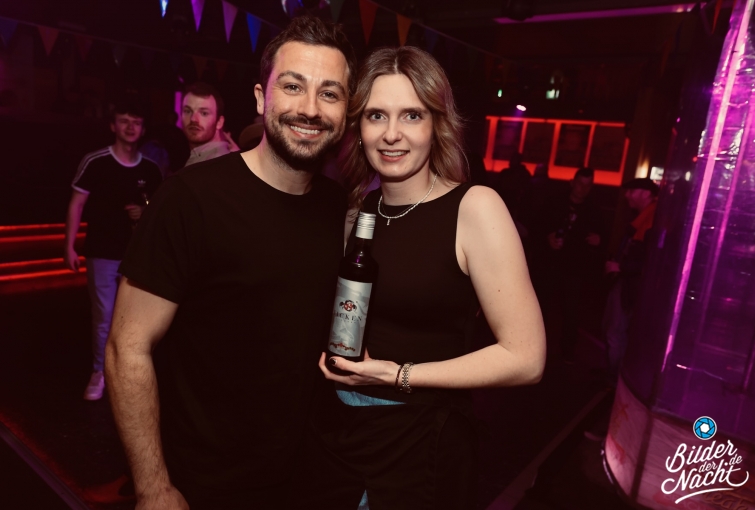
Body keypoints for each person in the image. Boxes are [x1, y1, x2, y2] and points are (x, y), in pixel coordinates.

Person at [104, 16, 355, 509]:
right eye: (293, 86)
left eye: (329, 93)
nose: (310, 108)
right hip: (207, 484)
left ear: (346, 111)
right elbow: (126, 347)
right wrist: (154, 487)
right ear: (262, 98)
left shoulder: (338, 208)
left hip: (307, 479)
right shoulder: (189, 199)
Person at [311, 46, 546, 510]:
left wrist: (399, 375)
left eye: (412, 115)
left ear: (437, 124)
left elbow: (526, 358)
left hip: (422, 439)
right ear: (359, 127)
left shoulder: (475, 208)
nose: (391, 134)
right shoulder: (357, 213)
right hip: (340, 433)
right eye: (376, 115)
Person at [63, 100, 162, 401]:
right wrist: (68, 245)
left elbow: (159, 213)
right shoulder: (96, 161)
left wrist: (144, 212)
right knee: (104, 316)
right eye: (124, 121)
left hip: (137, 256)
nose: (130, 127)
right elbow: (77, 203)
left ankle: (130, 373)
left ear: (143, 129)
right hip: (102, 252)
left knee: (135, 319)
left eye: (136, 122)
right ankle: (100, 373)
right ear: (113, 125)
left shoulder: (151, 169)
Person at [534, 167, 603, 362]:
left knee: (571, 311)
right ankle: (536, 347)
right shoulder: (554, 203)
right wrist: (547, 237)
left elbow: (602, 236)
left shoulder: (593, 211)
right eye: (580, 184)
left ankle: (567, 352)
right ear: (572, 183)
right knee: (541, 307)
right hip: (550, 264)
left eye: (587, 185)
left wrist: (598, 240)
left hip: (574, 267)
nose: (583, 189)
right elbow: (537, 225)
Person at [603, 177, 659, 384]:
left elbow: (651, 258)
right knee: (612, 328)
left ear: (646, 194)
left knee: (616, 331)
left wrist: (621, 267)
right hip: (627, 281)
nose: (627, 195)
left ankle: (615, 379)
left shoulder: (653, 219)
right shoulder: (646, 216)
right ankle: (613, 374)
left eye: (631, 191)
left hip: (631, 284)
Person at [180, 82, 239, 167]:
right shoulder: (199, 157)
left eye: (204, 113)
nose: (193, 119)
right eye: (187, 111)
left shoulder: (218, 162)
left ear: (219, 122)